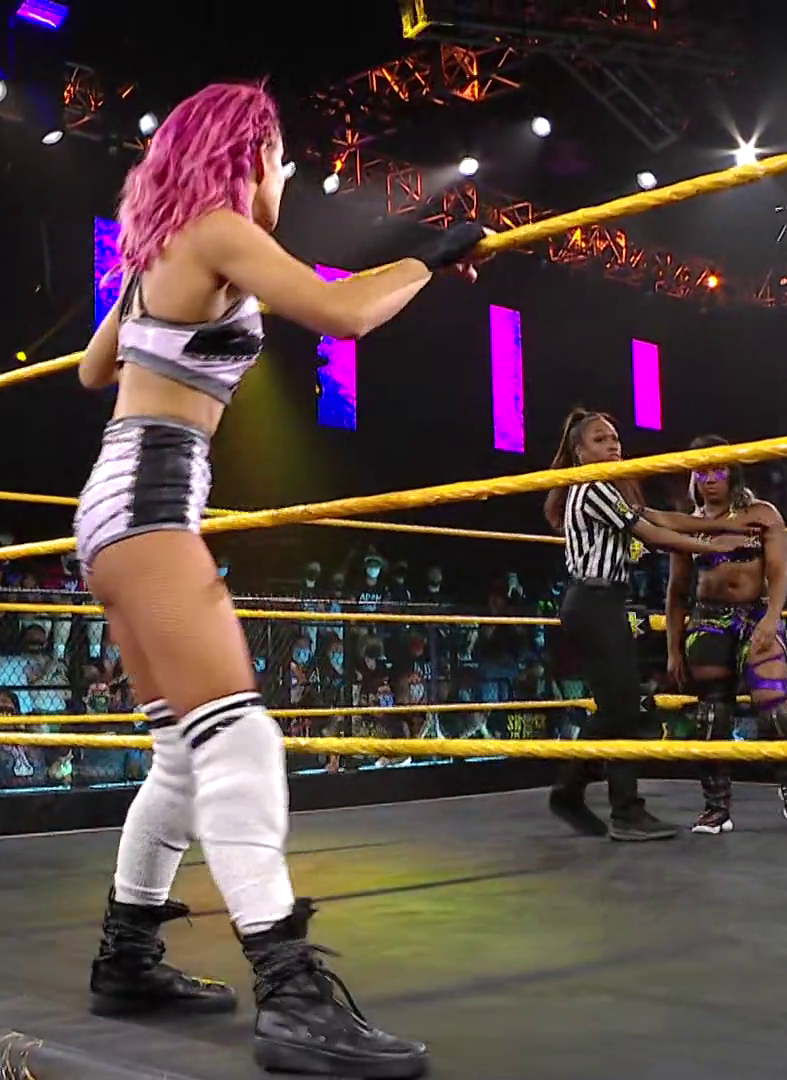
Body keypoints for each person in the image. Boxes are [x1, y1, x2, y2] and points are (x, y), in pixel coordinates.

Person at [70, 81, 484, 1078]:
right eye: (278, 157)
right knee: (238, 736)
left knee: (181, 754)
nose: (285, 175)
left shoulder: (159, 250)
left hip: (118, 504)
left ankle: (127, 957)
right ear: (246, 154)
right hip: (150, 501)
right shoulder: (217, 230)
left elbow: (93, 371)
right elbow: (343, 312)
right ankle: (293, 997)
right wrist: (429, 258)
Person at [541, 409, 754, 842]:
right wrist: (710, 547)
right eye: (600, 440)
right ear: (579, 452)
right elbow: (652, 535)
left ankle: (571, 790)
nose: (612, 446)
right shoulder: (593, 487)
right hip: (594, 601)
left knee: (618, 706)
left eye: (614, 438)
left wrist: (721, 525)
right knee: (624, 709)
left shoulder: (606, 490)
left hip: (601, 602)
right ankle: (622, 810)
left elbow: (659, 518)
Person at [664, 436, 787, 834]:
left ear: (732, 473)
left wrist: (772, 618)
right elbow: (676, 592)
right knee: (712, 714)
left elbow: (779, 574)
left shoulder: (761, 514)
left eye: (718, 469)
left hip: (756, 613)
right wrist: (673, 648)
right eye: (702, 471)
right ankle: (716, 808)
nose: (710, 478)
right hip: (708, 619)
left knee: (773, 700)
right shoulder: (688, 523)